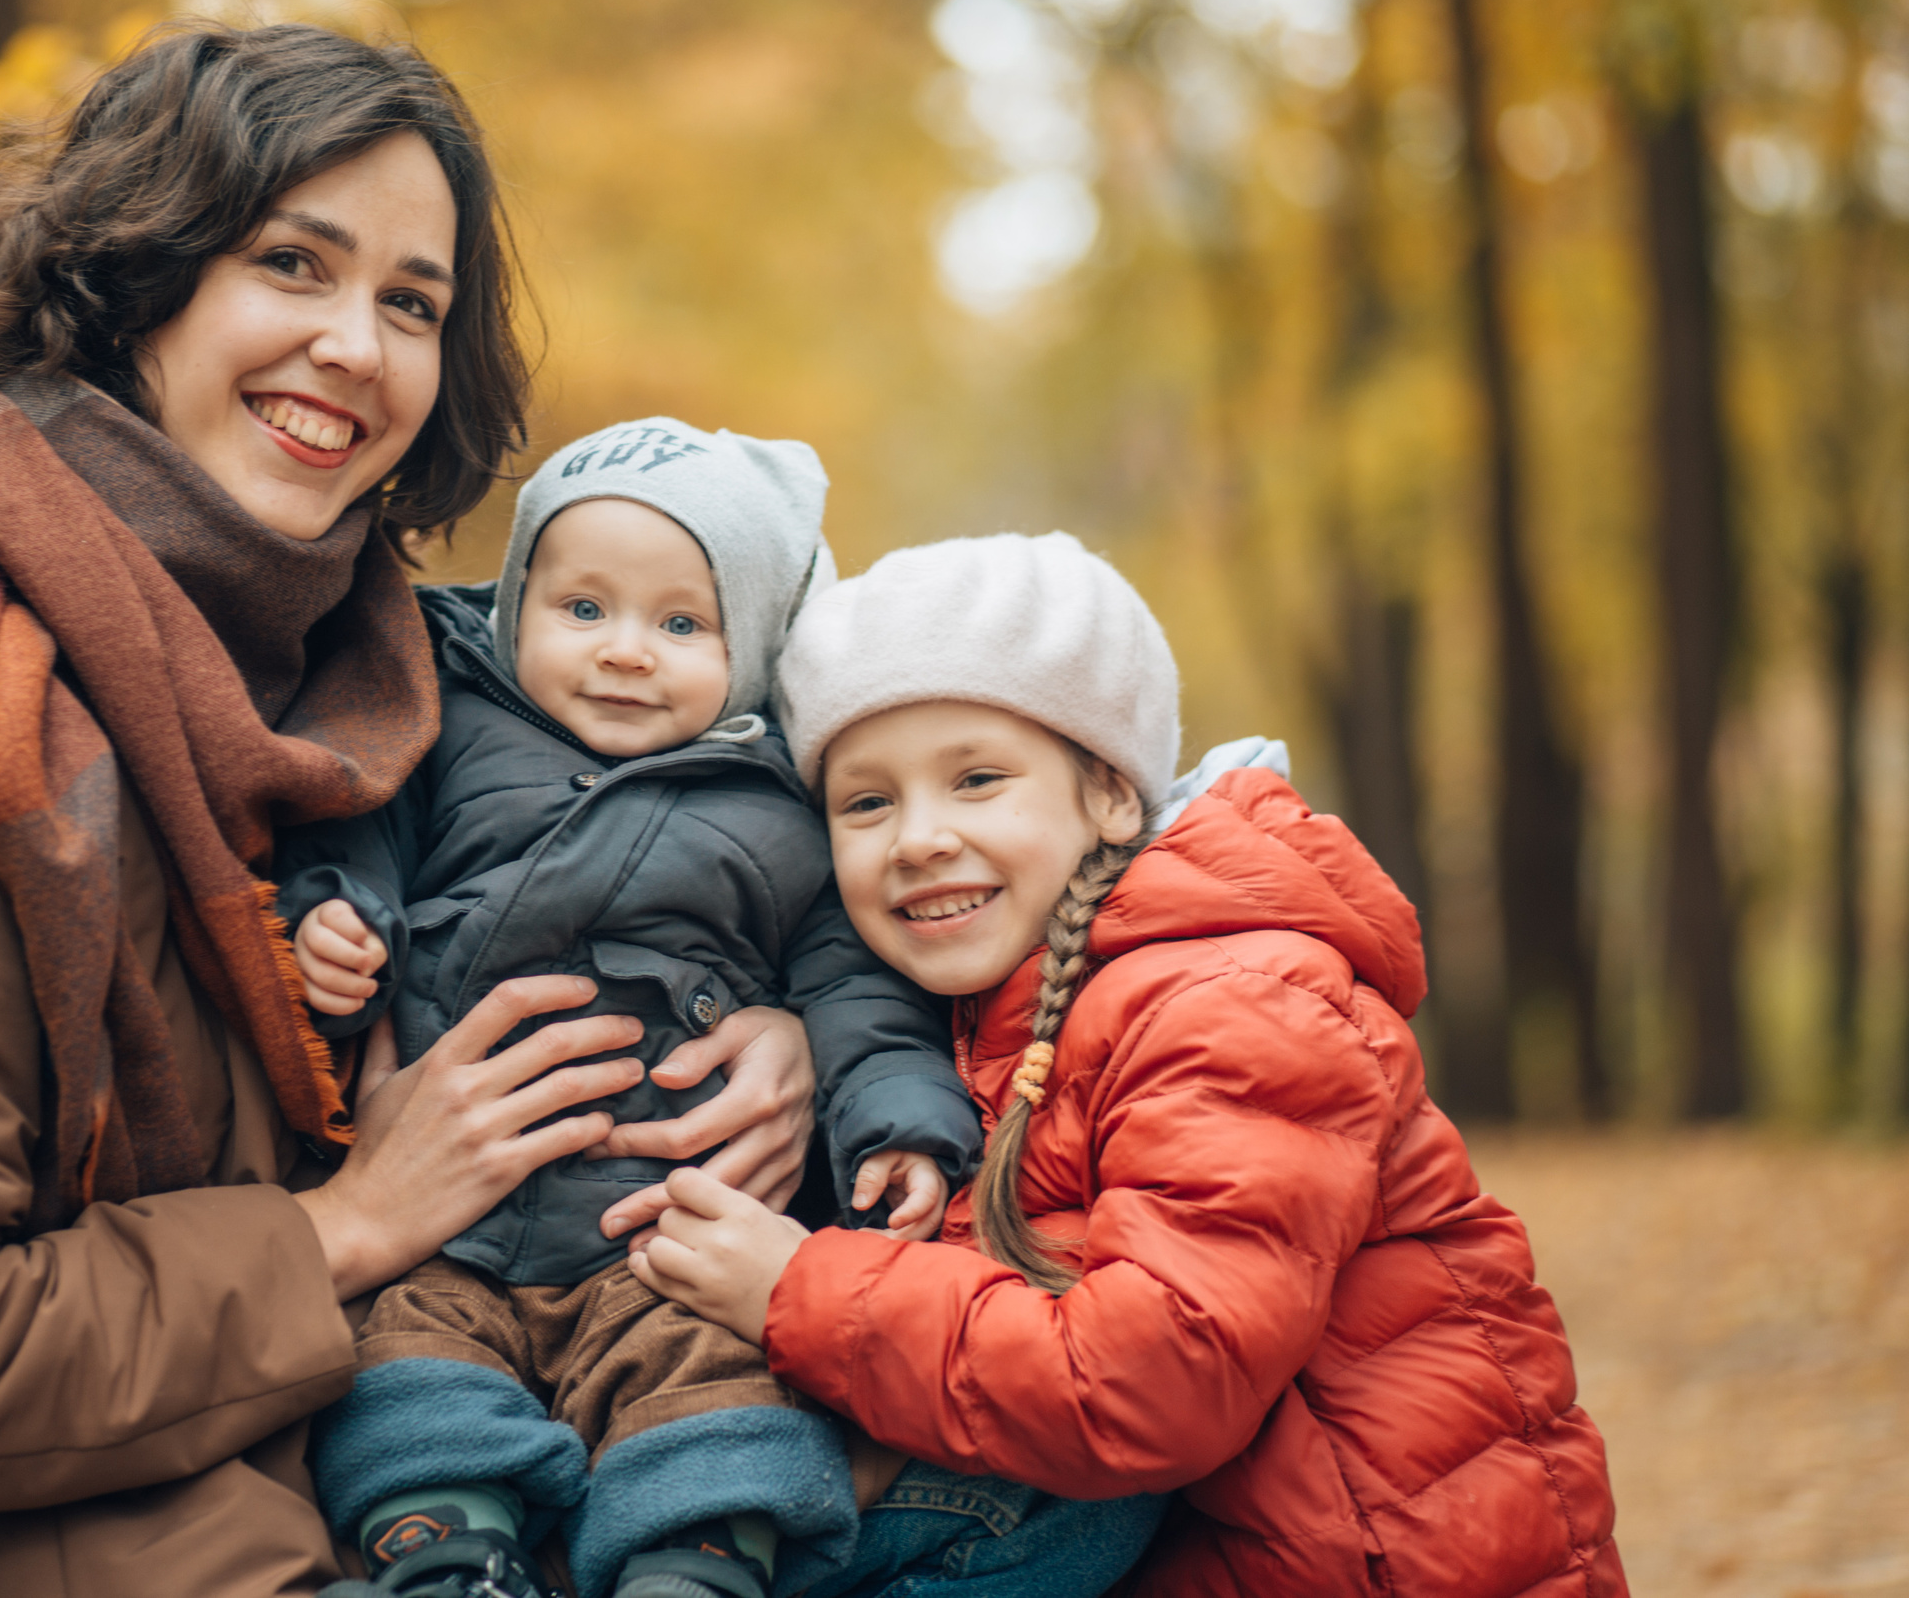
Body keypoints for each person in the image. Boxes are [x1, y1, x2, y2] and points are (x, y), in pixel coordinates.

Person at [0, 22, 821, 1598]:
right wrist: (348, 1224)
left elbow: (626, 884)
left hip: (451, 1446)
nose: (358, 346)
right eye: (293, 262)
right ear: (133, 277)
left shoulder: (372, 674)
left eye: (411, 302)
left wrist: (760, 1032)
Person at [630, 531, 1627, 1598]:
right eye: (866, 802)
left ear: (1110, 795)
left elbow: (1155, 1380)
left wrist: (797, 1290)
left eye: (976, 779)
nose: (917, 838)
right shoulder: (965, 1015)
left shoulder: (1232, 1002)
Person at [276, 419, 985, 1598]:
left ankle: (691, 1565)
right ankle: (446, 1554)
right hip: (448, 1218)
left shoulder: (780, 810)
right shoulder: (448, 723)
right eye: (582, 608)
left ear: (753, 651)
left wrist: (899, 1123)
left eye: (680, 625)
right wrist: (338, 916)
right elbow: (357, 826)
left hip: (658, 1224)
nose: (623, 652)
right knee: (402, 1364)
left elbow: (855, 991)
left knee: (721, 1383)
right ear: (516, 602)